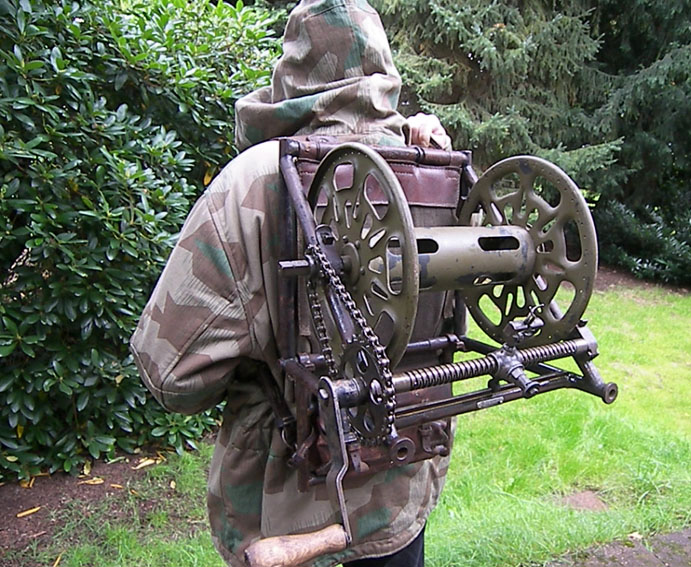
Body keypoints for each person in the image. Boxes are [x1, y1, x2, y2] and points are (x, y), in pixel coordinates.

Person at [130, 1, 451, 566]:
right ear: (381, 62)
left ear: (294, 70)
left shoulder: (252, 181)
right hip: (397, 500)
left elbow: (171, 375)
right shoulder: (432, 164)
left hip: (282, 520)